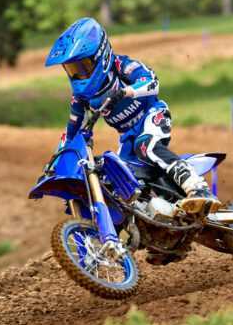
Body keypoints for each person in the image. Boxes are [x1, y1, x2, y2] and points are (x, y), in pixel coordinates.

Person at [45, 17, 221, 214]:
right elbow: (71, 132)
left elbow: (152, 82)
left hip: (152, 116)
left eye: (82, 66)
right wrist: (54, 164)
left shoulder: (121, 66)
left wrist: (124, 92)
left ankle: (198, 188)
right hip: (127, 136)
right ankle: (147, 215)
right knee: (115, 175)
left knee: (146, 147)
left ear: (100, 56)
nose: (78, 75)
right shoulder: (80, 97)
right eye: (72, 70)